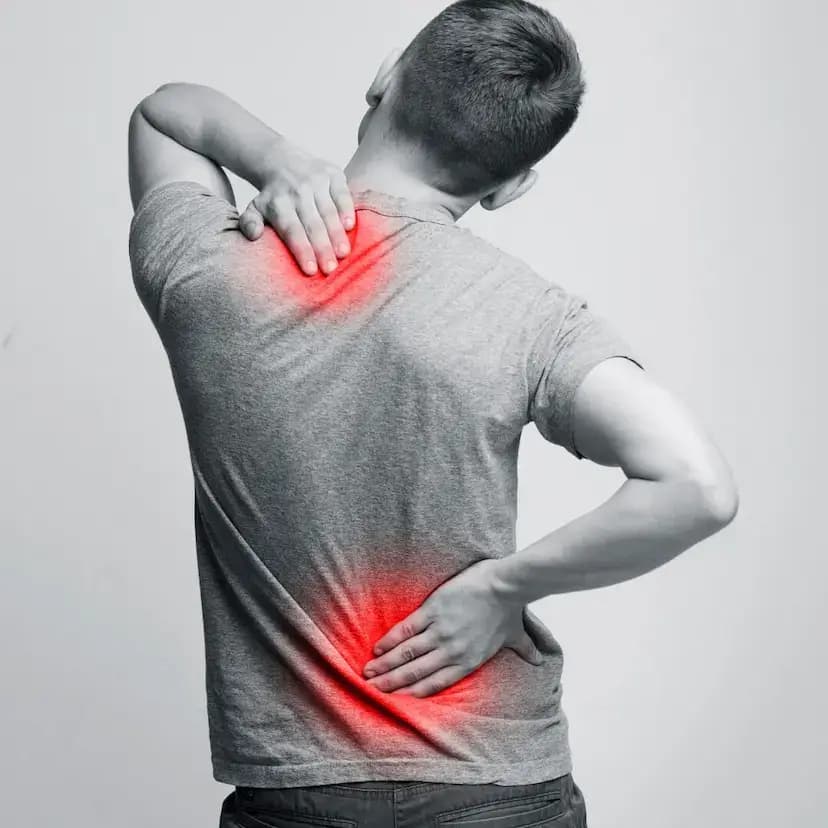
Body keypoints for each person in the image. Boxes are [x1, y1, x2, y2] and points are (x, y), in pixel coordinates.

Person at [127, 2, 738, 825]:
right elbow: (697, 487)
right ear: (512, 185)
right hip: (495, 782)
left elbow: (164, 113)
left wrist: (274, 158)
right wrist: (503, 588)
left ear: (383, 78)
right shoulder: (529, 315)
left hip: (299, 796)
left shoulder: (211, 265)